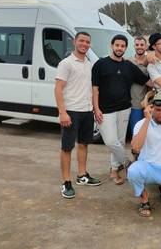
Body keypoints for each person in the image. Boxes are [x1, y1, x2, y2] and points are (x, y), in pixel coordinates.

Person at [92, 34, 150, 185]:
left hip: (124, 108)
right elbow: (95, 89)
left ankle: (113, 171)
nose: (119, 48)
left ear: (125, 48)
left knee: (120, 141)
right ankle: (128, 163)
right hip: (105, 110)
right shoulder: (100, 64)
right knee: (111, 141)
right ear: (112, 46)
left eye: (122, 46)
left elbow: (146, 81)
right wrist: (96, 108)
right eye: (117, 45)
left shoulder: (128, 66)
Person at [55, 31, 101, 199]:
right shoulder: (66, 63)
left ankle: (82, 175)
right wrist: (63, 112)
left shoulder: (89, 63)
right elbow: (58, 88)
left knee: (84, 144)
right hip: (71, 111)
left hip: (86, 111)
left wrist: (94, 109)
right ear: (75, 42)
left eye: (87, 42)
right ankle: (66, 182)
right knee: (67, 147)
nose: (84, 44)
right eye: (81, 41)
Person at [128, 36, 152, 136]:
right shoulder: (128, 61)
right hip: (134, 102)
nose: (139, 47)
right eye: (137, 45)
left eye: (142, 45)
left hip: (146, 101)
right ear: (134, 46)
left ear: (146, 46)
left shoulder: (150, 60)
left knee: (147, 132)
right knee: (136, 131)